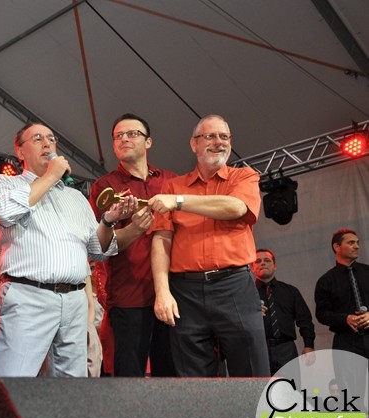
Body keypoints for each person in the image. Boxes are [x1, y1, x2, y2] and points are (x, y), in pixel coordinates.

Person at [0, 122, 144, 378]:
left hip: (74, 299)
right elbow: (4, 212)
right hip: (29, 296)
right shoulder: (5, 183)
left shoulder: (75, 197)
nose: (47, 143)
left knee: (72, 384)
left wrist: (108, 221)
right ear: (20, 151)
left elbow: (97, 250)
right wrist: (50, 176)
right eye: (37, 139)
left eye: (51, 139)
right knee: (13, 380)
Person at [149, 114, 269, 377]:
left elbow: (236, 207)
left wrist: (179, 201)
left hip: (234, 286)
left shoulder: (243, 176)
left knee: (251, 370)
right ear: (194, 144)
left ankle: (253, 407)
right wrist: (162, 292)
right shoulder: (172, 186)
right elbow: (161, 240)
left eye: (224, 137)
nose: (218, 142)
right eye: (210, 136)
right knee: (192, 377)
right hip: (185, 292)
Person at [88, 113, 176, 377]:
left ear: (148, 142)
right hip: (129, 296)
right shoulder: (105, 186)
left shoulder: (171, 181)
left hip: (174, 292)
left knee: (173, 378)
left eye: (132, 134)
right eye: (118, 136)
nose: (124, 139)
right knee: (129, 378)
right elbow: (98, 247)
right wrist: (131, 227)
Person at [315, 229, 369, 409]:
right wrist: (345, 318)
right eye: (351, 242)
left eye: (358, 242)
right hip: (347, 340)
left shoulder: (367, 272)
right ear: (336, 247)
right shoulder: (326, 281)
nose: (357, 246)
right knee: (351, 393)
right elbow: (322, 314)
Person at [252, 248, 315, 374]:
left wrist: (309, 345)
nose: (262, 263)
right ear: (252, 268)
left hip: (285, 348)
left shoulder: (290, 291)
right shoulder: (246, 294)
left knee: (289, 385)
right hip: (257, 350)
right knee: (260, 386)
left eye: (267, 260)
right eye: (258, 261)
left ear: (275, 266)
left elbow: (305, 320)